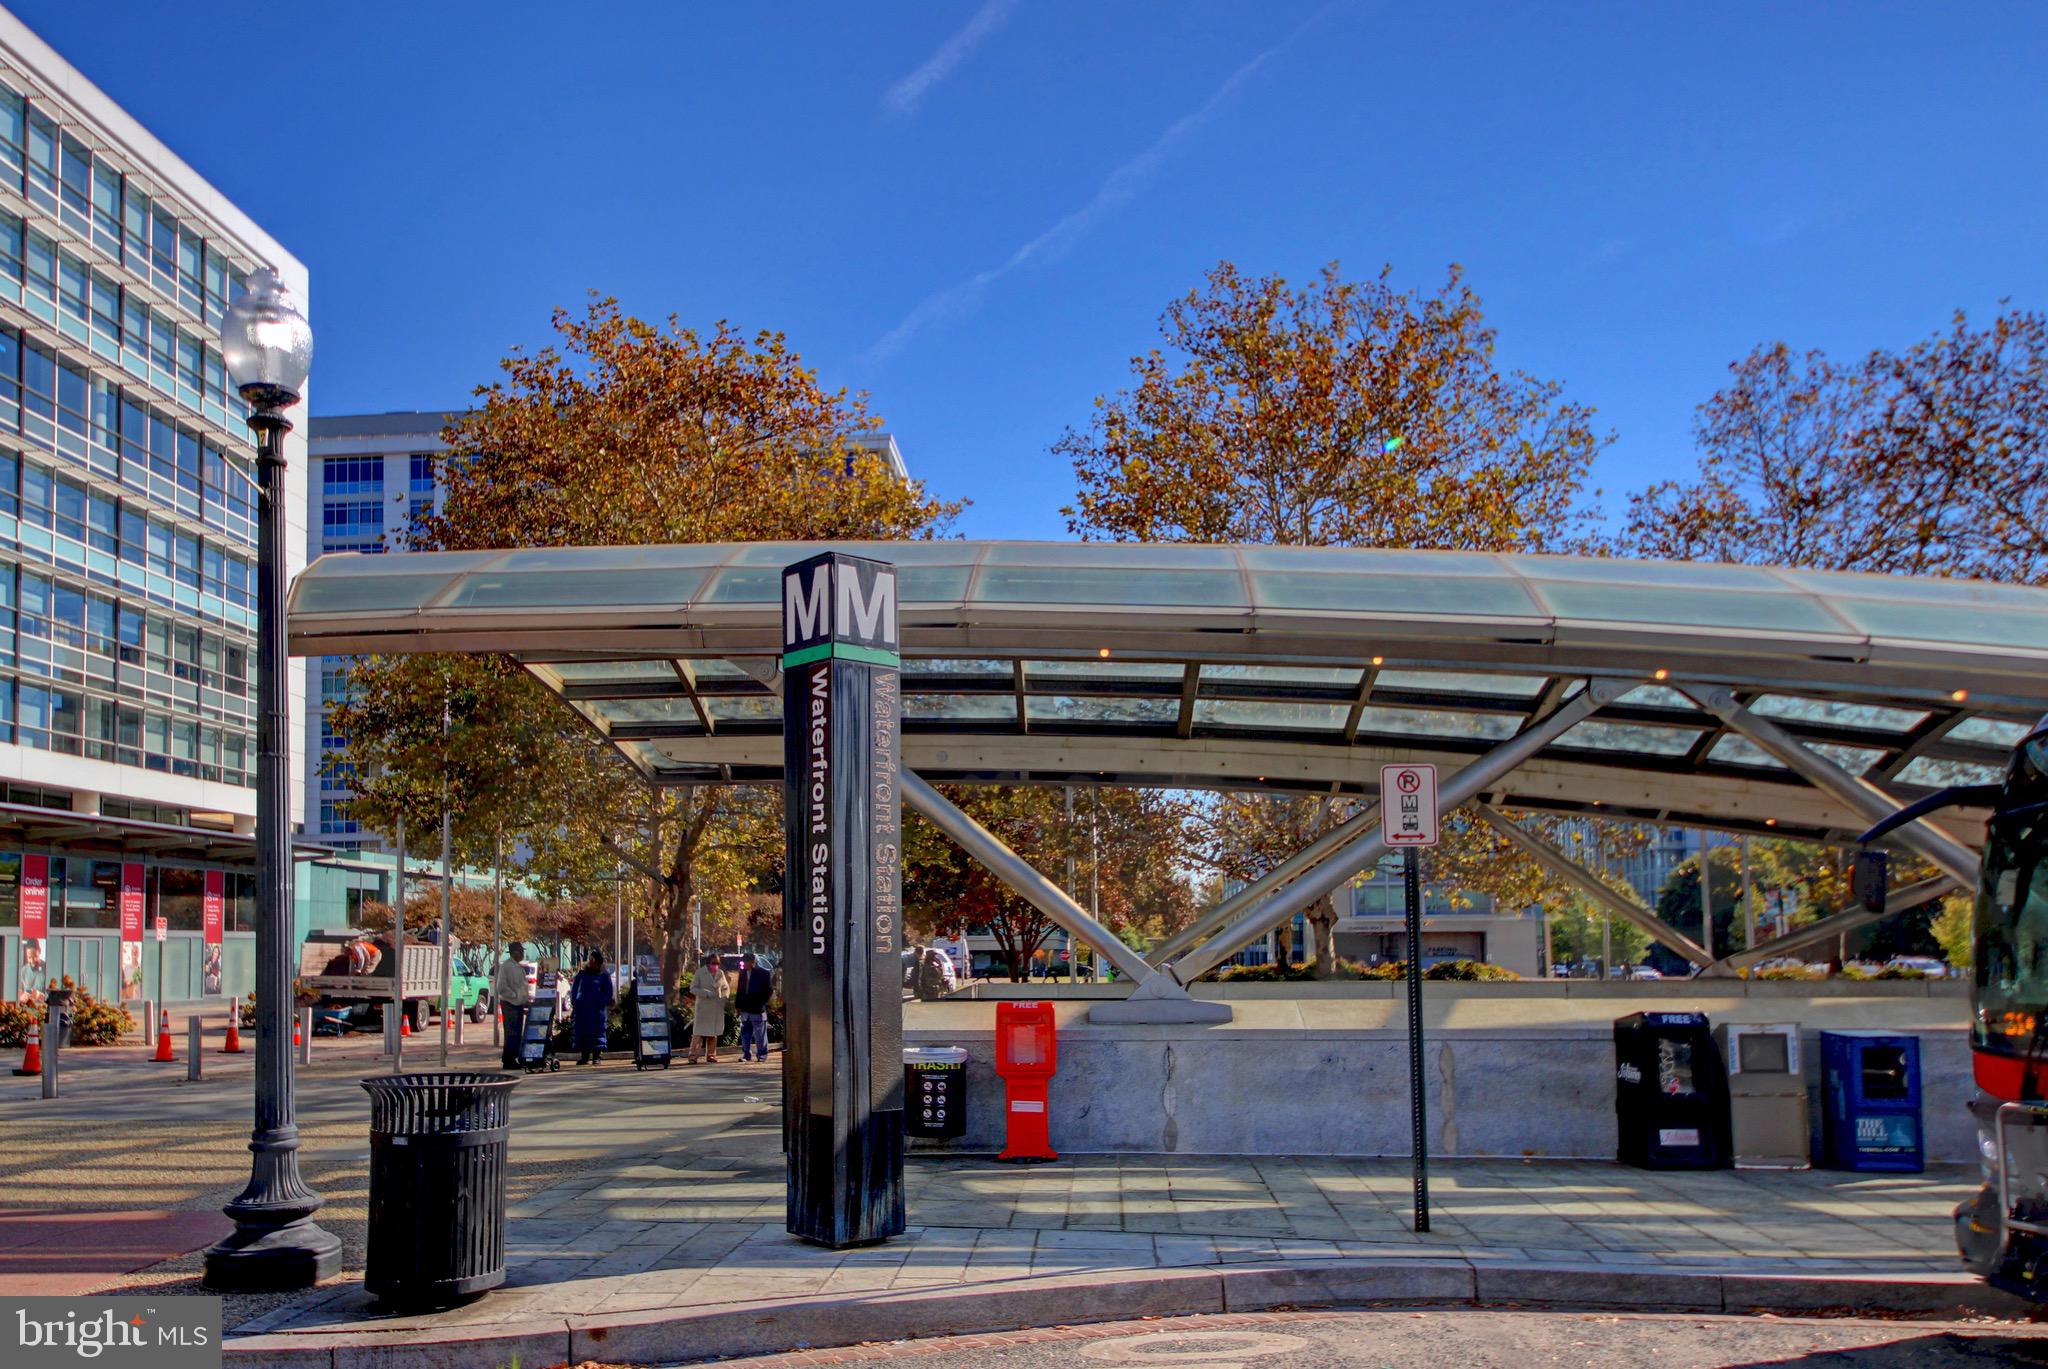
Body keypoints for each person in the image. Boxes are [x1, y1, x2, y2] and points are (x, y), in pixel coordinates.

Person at [492, 940, 533, 1070]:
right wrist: (514, 996)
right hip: (510, 1004)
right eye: (520, 951)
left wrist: (524, 998)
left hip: (519, 1004)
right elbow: (501, 987)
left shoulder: (518, 967)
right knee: (511, 1032)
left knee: (517, 1032)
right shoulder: (506, 967)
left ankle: (514, 1057)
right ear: (515, 952)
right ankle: (508, 1059)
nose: (522, 954)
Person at [570, 951, 614, 1065]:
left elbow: (608, 993)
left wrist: (601, 1001)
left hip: (597, 1012)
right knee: (583, 1033)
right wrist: (575, 1002)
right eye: (590, 959)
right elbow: (574, 989)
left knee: (597, 1033)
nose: (590, 962)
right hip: (583, 1011)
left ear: (598, 962)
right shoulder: (582, 975)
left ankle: (597, 1056)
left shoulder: (604, 976)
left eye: (593, 959)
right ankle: (584, 1056)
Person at [689, 951, 729, 1064]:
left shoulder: (720, 973)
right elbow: (693, 988)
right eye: (713, 963)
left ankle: (711, 1055)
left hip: (716, 1007)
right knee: (699, 1033)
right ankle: (693, 1056)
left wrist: (725, 996)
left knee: (713, 1033)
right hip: (703, 1008)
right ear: (708, 963)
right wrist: (705, 993)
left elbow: (726, 987)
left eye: (717, 963)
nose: (715, 965)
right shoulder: (700, 973)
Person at [733, 952, 774, 1063]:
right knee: (745, 1033)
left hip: (757, 1008)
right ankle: (746, 1054)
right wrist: (737, 1005)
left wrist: (762, 1002)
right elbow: (739, 990)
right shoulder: (742, 974)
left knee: (760, 1034)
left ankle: (762, 1055)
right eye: (743, 961)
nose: (744, 964)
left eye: (746, 961)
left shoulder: (763, 973)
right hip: (745, 1008)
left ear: (753, 962)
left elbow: (769, 990)